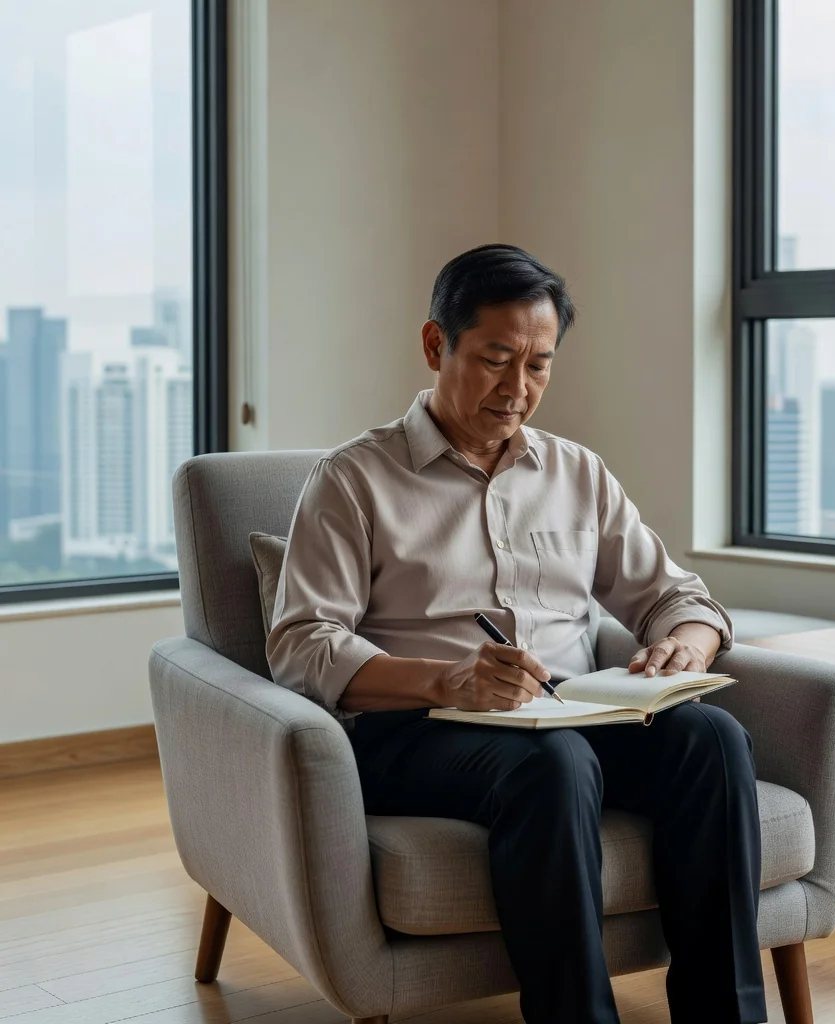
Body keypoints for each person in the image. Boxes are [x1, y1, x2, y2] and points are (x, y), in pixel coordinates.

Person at [266, 244, 765, 1024]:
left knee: (713, 737)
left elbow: (676, 594)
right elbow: (300, 643)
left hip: (562, 710)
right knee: (554, 764)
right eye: (496, 360)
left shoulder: (577, 473)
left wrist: (687, 644)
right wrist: (449, 679)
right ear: (437, 346)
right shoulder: (352, 479)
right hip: (414, 730)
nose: (518, 389)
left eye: (539, 365)